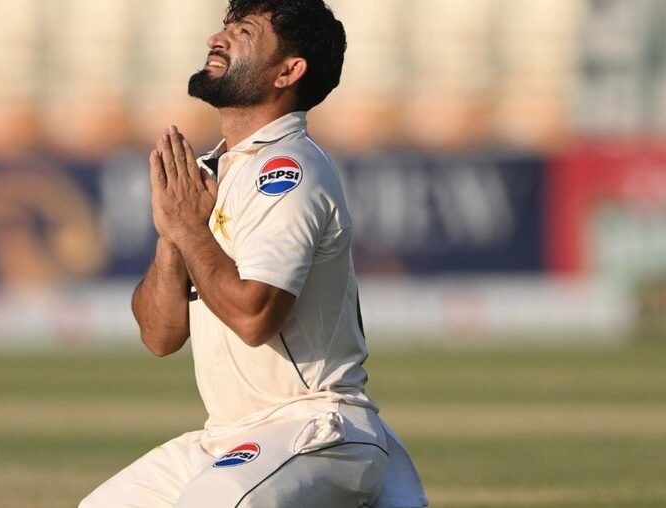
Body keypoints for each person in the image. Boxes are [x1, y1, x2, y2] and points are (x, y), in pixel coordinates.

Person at [80, 1, 426, 506]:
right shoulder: (212, 171)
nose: (215, 40)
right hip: (229, 436)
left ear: (288, 71)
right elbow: (158, 335)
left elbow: (253, 315)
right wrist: (173, 237)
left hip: (314, 429)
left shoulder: (287, 171)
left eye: (242, 32)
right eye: (223, 28)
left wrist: (188, 228)